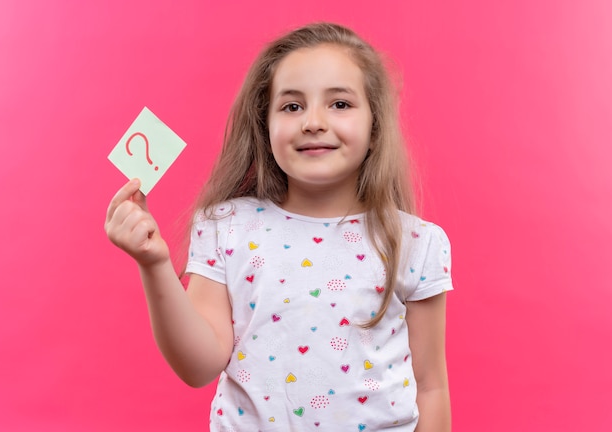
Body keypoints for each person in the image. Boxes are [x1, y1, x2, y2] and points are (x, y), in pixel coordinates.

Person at [106, 22, 453, 431]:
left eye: (339, 104)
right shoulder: (227, 227)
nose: (313, 122)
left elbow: (430, 387)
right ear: (265, 126)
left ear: (375, 127)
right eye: (292, 106)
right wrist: (154, 263)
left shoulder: (415, 242)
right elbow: (198, 366)